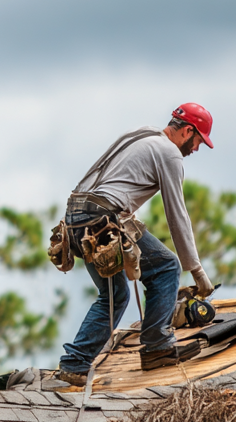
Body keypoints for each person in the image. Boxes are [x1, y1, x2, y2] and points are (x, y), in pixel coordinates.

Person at [54, 103, 216, 386]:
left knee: (114, 296)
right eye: (198, 141)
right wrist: (197, 271)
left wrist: (128, 227)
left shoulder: (140, 134)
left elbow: (111, 179)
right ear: (187, 131)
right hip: (101, 218)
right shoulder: (170, 154)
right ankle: (157, 346)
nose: (196, 149)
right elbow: (176, 214)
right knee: (166, 268)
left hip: (76, 215)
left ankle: (74, 363)